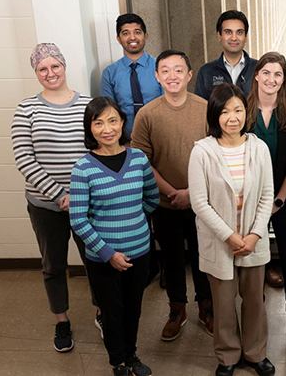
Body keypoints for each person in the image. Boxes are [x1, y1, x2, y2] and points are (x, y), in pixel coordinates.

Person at [11, 43, 97, 352]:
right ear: (36, 73)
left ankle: (102, 311)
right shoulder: (27, 109)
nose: (50, 73)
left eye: (54, 66)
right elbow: (24, 158)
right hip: (45, 205)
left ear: (64, 66)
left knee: (95, 259)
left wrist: (81, 195)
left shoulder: (89, 105)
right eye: (42, 69)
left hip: (88, 203)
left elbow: (99, 150)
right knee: (53, 264)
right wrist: (60, 195)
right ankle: (62, 320)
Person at [189, 84, 275, 376]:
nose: (232, 117)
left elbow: (267, 196)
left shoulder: (258, 148)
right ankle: (227, 356)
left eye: (238, 109)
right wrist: (229, 235)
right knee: (224, 305)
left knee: (254, 302)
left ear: (246, 112)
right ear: (215, 115)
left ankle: (255, 353)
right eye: (224, 111)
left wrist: (253, 236)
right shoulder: (202, 151)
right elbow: (200, 203)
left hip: (253, 240)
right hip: (220, 241)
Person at [70, 97, 159, 376]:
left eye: (112, 120)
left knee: (133, 310)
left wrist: (131, 222)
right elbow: (78, 218)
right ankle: (117, 362)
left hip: (140, 253)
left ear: (122, 122)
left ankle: (131, 355)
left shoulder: (139, 159)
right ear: (90, 128)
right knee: (112, 314)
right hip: (103, 258)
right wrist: (109, 252)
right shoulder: (83, 168)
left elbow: (152, 199)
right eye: (98, 123)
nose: (106, 128)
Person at [131, 50, 214, 340]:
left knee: (204, 255)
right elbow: (142, 160)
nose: (172, 76)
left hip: (202, 200)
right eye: (165, 70)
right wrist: (172, 193)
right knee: (172, 258)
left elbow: (217, 156)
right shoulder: (147, 114)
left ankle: (207, 306)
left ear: (190, 75)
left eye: (179, 70)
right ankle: (176, 308)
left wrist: (192, 193)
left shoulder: (205, 108)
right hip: (163, 202)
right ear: (156, 77)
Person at [246, 52, 286, 337]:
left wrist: (278, 201)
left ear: (284, 79)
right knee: (254, 258)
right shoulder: (241, 110)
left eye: (278, 74)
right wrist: (259, 204)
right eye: (267, 72)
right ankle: (254, 310)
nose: (272, 79)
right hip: (249, 200)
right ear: (257, 74)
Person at [100, 13, 163, 137]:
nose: (132, 37)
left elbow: (168, 106)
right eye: (126, 33)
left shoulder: (161, 67)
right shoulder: (109, 73)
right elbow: (108, 113)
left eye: (137, 32)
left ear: (146, 36)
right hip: (126, 142)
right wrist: (123, 143)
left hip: (160, 136)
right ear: (118, 39)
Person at [195, 10, 258, 100]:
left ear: (246, 37)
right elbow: (200, 108)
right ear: (219, 36)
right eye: (228, 32)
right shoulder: (206, 72)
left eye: (239, 32)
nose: (233, 38)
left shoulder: (259, 68)